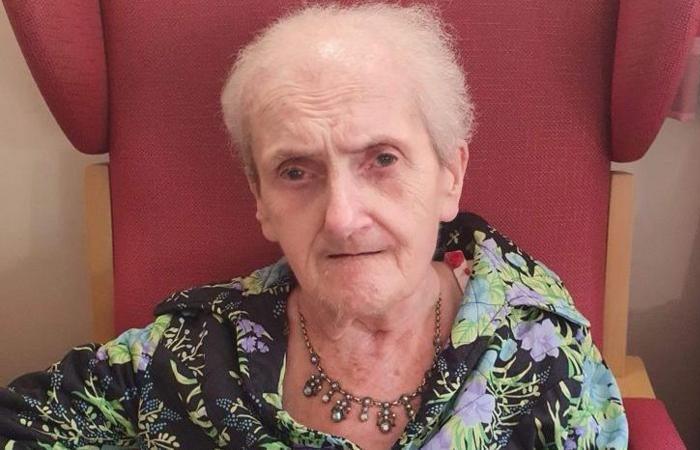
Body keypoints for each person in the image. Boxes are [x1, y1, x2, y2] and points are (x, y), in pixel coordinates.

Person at [0, 3, 628, 449]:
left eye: (381, 160)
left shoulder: (544, 359)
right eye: (296, 172)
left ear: (449, 176)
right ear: (262, 202)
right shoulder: (195, 352)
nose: (342, 218)